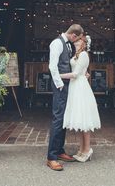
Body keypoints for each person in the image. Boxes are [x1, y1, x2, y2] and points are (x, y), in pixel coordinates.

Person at [47, 24, 84, 171]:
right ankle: (51, 157)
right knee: (58, 118)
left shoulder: (67, 43)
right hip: (60, 86)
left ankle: (60, 151)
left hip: (67, 85)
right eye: (78, 38)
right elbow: (52, 66)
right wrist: (60, 84)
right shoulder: (57, 43)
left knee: (63, 118)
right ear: (74, 35)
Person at [60, 34, 101, 162]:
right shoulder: (76, 53)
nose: (76, 42)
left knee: (84, 120)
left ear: (84, 43)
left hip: (80, 87)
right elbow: (82, 71)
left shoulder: (83, 54)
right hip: (75, 87)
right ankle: (81, 149)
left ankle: (87, 149)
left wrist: (58, 75)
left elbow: (76, 74)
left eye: (79, 41)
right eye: (76, 41)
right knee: (79, 120)